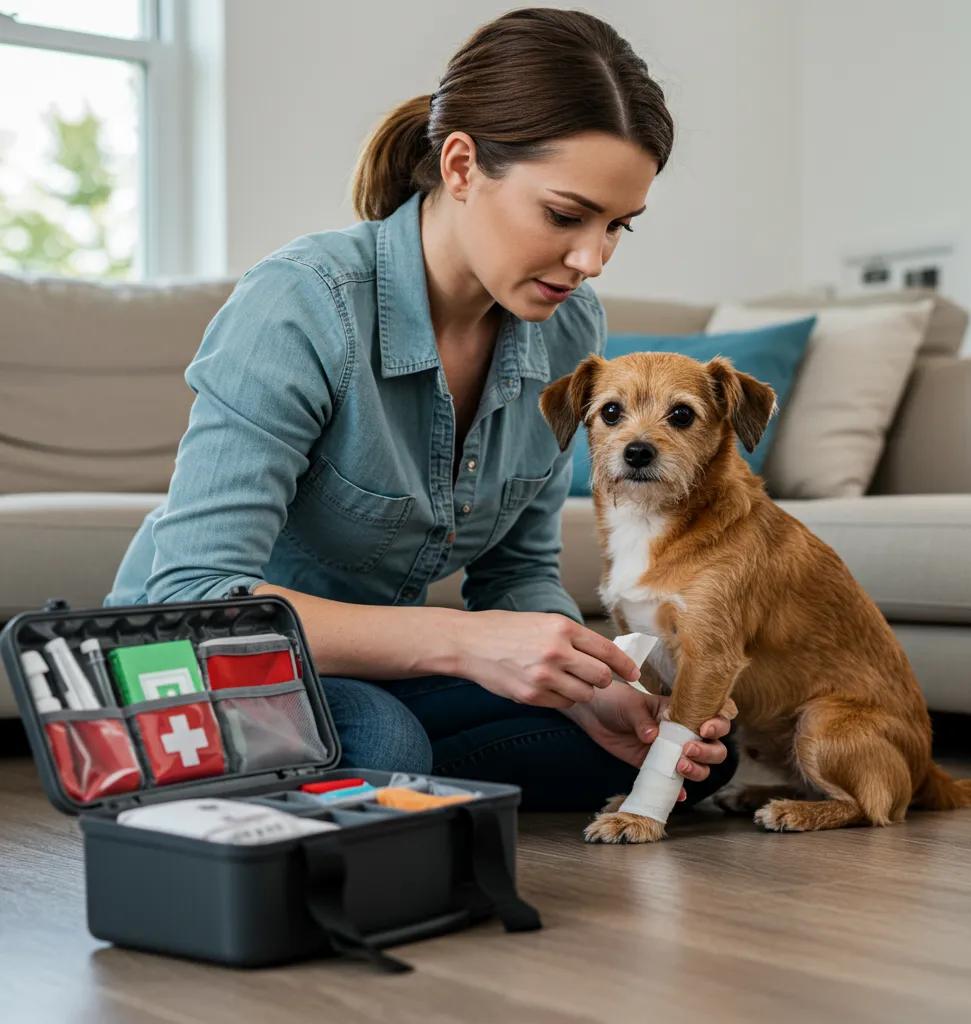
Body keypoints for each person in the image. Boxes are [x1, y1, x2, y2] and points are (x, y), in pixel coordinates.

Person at [105, 8, 738, 811]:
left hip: (373, 675)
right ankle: (389, 777)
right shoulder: (302, 304)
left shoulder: (569, 331)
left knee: (676, 746)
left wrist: (587, 686)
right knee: (383, 744)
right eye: (565, 215)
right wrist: (465, 646)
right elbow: (191, 600)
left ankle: (392, 787)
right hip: (197, 667)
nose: (592, 260)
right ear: (463, 165)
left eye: (618, 227)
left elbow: (517, 575)